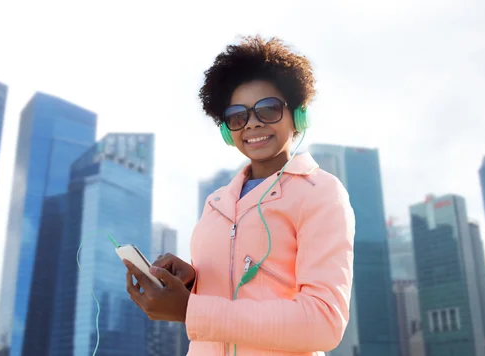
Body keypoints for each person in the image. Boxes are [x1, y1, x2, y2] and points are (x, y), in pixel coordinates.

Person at [124, 35, 355, 356]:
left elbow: (323, 322)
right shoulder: (216, 203)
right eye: (238, 115)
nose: (252, 124)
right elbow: (233, 288)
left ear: (298, 115)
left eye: (268, 109)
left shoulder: (321, 192)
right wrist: (192, 282)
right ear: (226, 129)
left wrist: (191, 310)